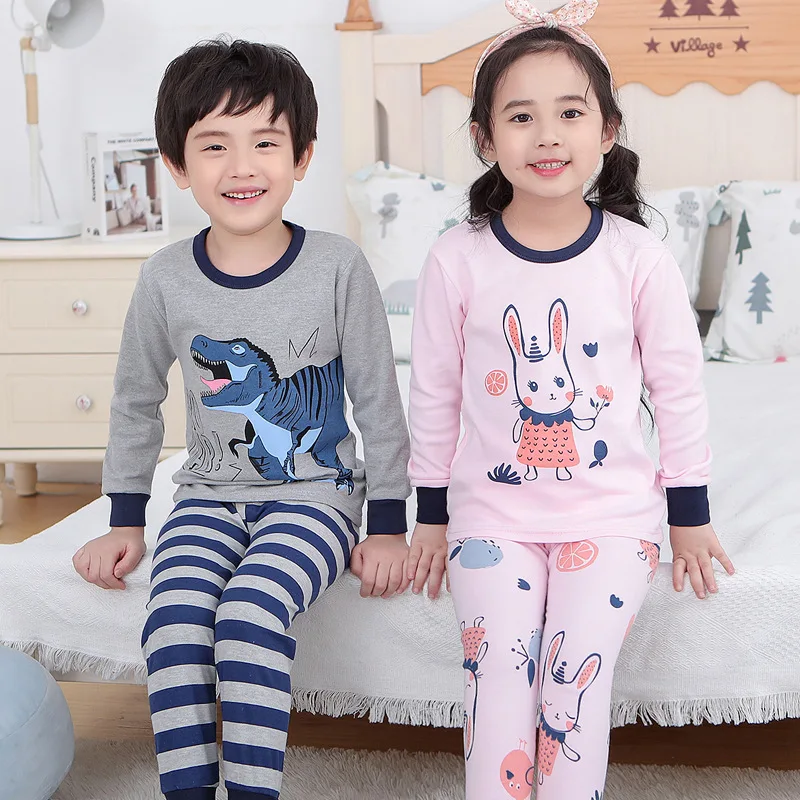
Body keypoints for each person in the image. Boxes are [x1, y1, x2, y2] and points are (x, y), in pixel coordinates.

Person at [405, 1, 736, 798]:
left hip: (612, 521)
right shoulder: (456, 259)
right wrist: (430, 513)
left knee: (571, 687)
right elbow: (434, 393)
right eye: (521, 116)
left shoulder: (638, 257)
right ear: (485, 138)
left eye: (570, 113)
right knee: (497, 681)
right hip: (493, 520)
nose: (547, 136)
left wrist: (688, 513)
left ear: (607, 130)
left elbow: (678, 388)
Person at [72, 39, 411, 800]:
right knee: (173, 621)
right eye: (214, 145)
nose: (241, 166)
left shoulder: (339, 266)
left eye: (265, 142)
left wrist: (388, 523)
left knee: (250, 614)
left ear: (302, 156)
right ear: (177, 165)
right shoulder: (164, 277)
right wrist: (125, 518)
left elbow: (377, 400)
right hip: (206, 497)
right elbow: (134, 399)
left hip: (316, 497)